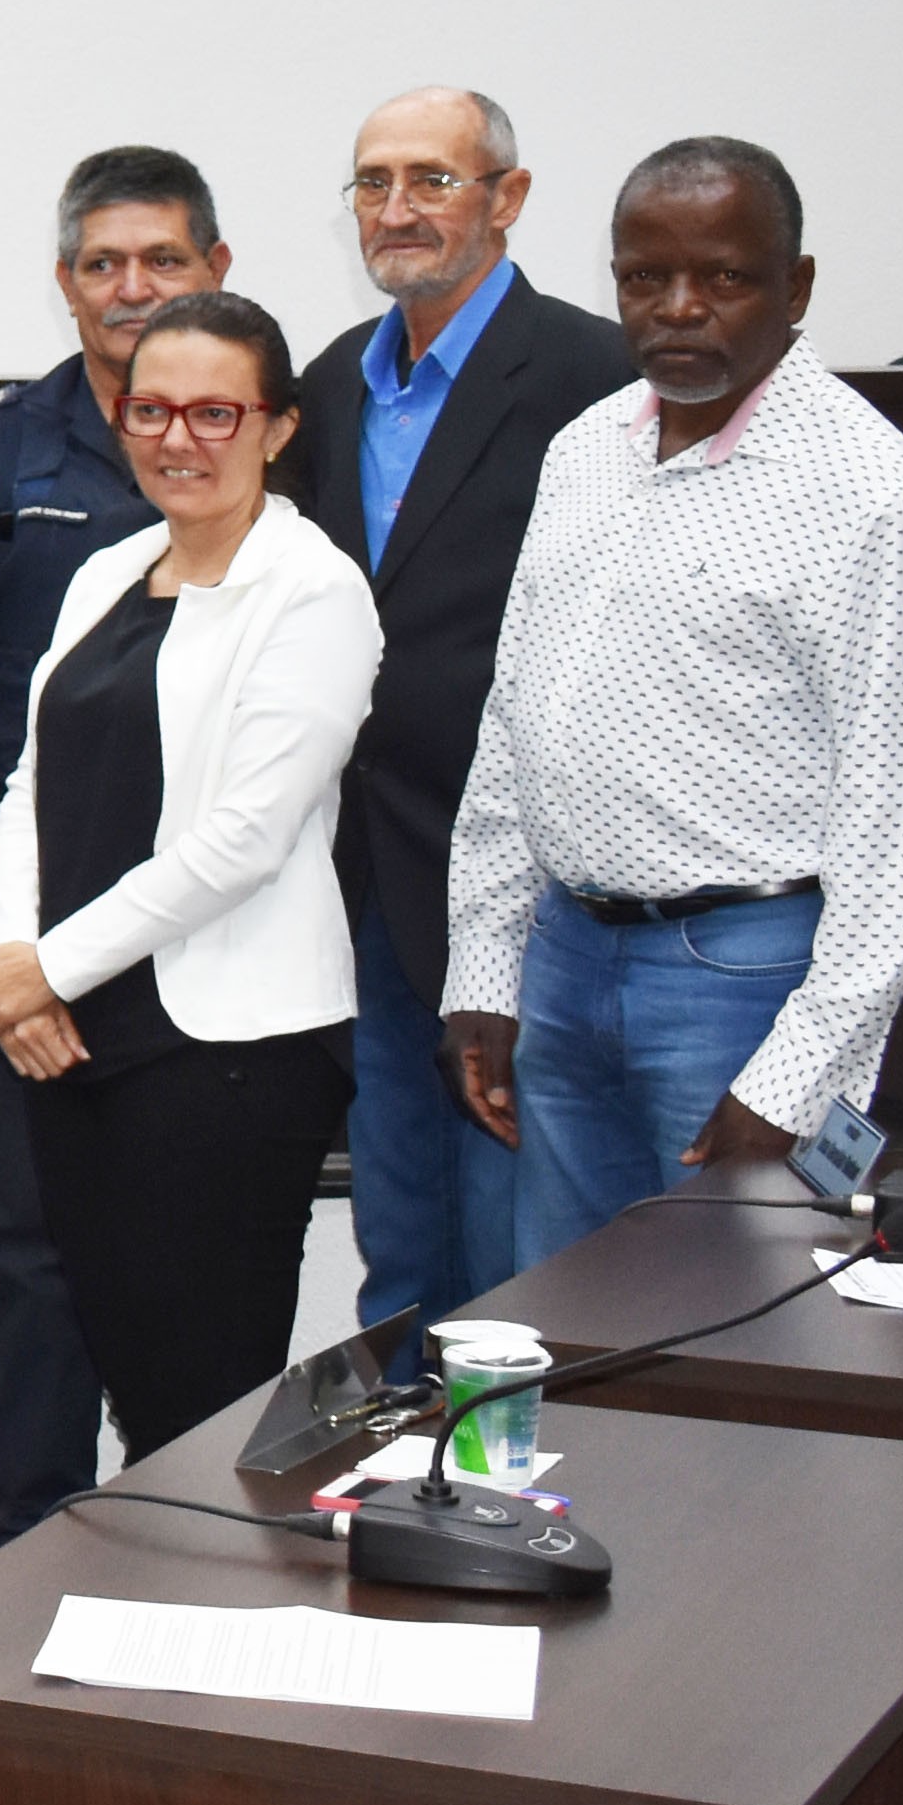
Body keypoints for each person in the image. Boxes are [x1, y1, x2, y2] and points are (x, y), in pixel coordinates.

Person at [446, 140, 903, 1259]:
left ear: (797, 288)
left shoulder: (877, 501)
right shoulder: (587, 448)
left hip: (745, 981)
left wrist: (799, 1077)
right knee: (568, 1340)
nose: (679, 308)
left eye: (725, 278)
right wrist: (485, 964)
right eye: (646, 277)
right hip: (564, 959)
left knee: (737, 1357)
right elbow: (515, 726)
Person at [0, 294, 377, 1459]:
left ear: (277, 427)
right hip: (76, 1040)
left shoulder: (315, 591)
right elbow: (26, 787)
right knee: (129, 1379)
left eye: (215, 412)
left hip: (229, 1058)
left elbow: (242, 842)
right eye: (151, 409)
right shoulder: (106, 571)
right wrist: (10, 962)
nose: (178, 439)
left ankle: (223, 1630)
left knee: (205, 1404)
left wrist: (46, 967)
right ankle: (144, 1628)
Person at [0, 147, 221, 1545]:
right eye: (101, 264)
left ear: (213, 267)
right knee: (28, 1251)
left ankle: (191, 1541)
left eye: (160, 261)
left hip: (210, 923)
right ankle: (28, 1545)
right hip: (21, 907)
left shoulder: (269, 430)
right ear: (65, 279)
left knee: (191, 1256)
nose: (130, 289)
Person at [290, 87, 631, 1326]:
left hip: (530, 884)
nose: (398, 209)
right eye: (374, 183)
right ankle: (401, 1491)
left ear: (509, 200)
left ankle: (503, 1498)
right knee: (401, 1234)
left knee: (516, 1248)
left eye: (432, 179)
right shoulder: (332, 386)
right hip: (371, 871)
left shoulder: (599, 374)